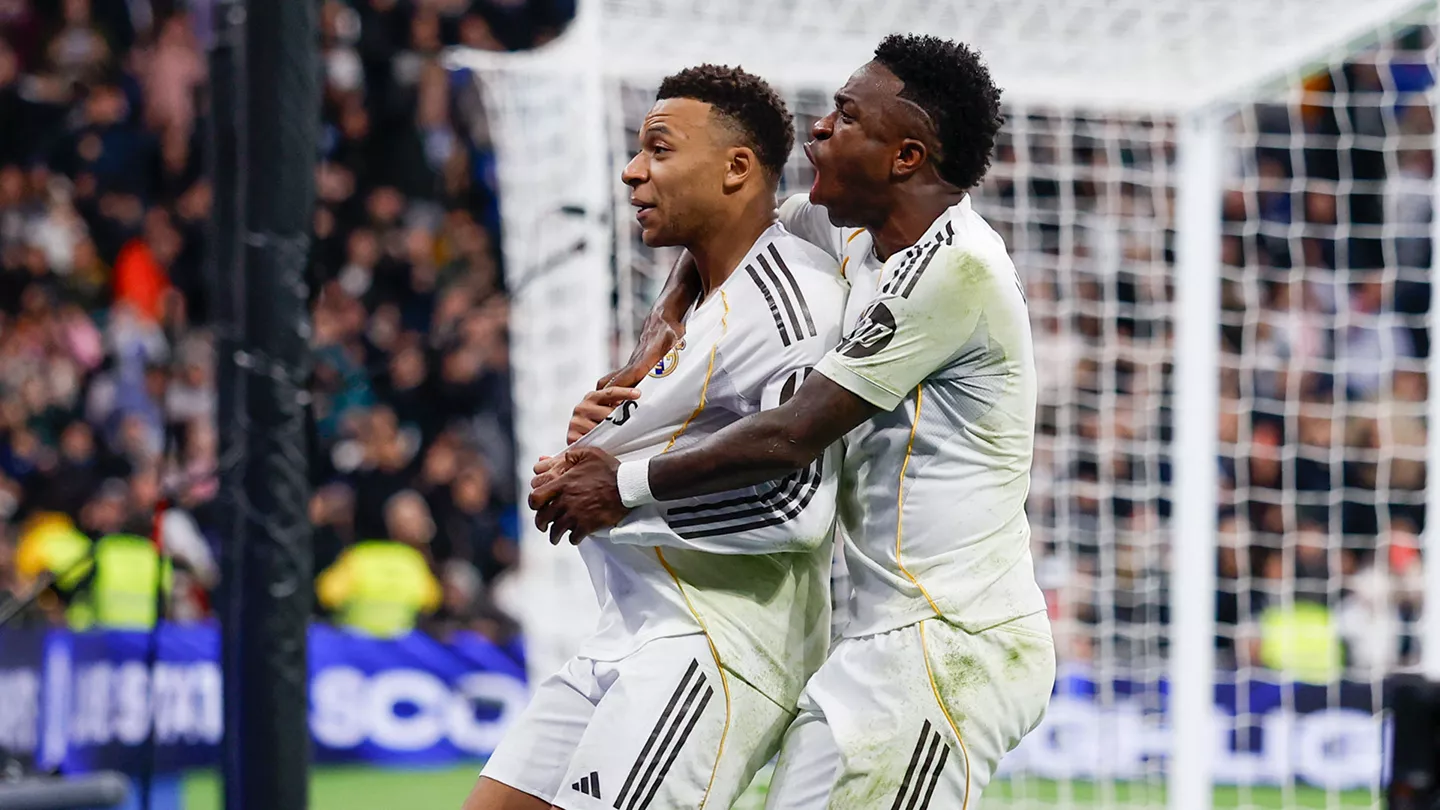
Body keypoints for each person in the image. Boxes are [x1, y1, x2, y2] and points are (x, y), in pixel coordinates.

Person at [532, 35, 1055, 808]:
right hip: (876, 636)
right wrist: (656, 340)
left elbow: (793, 432)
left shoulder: (958, 270)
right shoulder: (852, 228)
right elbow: (727, 239)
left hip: (953, 642)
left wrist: (625, 485)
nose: (817, 130)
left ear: (905, 157)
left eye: (846, 118)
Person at [466, 65, 847, 810]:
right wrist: (595, 443)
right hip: (631, 627)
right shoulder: (697, 300)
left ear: (738, 169)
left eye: (660, 150)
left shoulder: (793, 307)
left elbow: (797, 507)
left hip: (712, 648)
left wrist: (616, 493)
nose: (633, 171)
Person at [315, 489, 443, 639]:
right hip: (399, 647)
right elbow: (432, 601)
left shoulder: (358, 556)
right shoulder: (413, 562)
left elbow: (327, 594)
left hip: (354, 646)